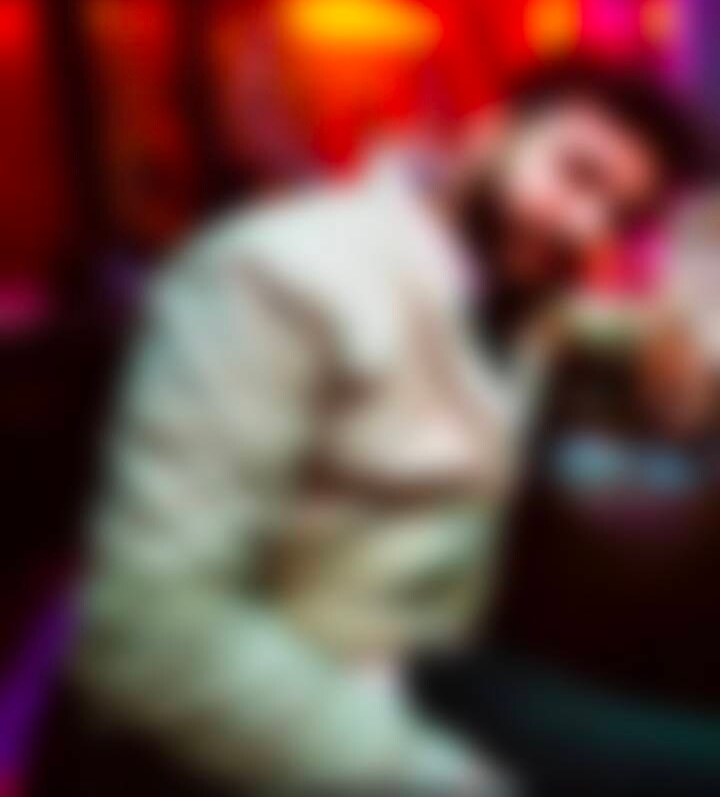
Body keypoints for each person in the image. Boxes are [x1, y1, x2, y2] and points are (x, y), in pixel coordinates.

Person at [29, 58, 697, 795]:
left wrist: (680, 353)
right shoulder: (279, 271)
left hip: (431, 667)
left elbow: (624, 332)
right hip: (288, 704)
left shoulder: (514, 291)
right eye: (577, 173)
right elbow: (152, 636)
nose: (586, 227)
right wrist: (440, 779)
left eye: (620, 217)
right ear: (490, 132)